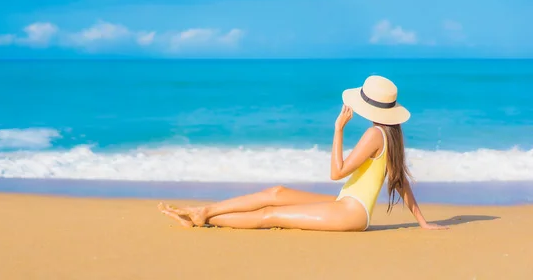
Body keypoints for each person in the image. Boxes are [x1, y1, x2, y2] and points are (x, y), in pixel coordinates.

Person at [158, 75, 448, 231]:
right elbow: (402, 182)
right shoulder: (392, 136)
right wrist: (423, 223)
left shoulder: (374, 134)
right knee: (276, 192)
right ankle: (206, 210)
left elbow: (336, 173)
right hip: (346, 203)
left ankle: (205, 218)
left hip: (351, 215)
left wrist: (338, 129)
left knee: (271, 215)